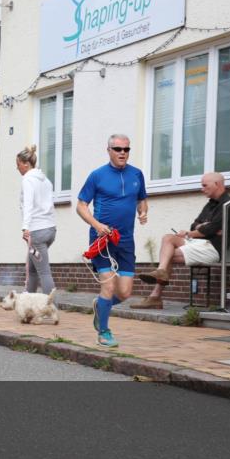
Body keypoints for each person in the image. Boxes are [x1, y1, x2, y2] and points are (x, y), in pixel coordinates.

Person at [76, 134, 148, 348]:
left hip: (125, 241)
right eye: (118, 149)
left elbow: (142, 200)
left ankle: (101, 306)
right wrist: (96, 225)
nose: (122, 153)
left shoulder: (137, 174)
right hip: (102, 240)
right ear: (109, 150)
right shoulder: (97, 176)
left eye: (126, 149)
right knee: (108, 286)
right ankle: (104, 332)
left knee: (124, 292)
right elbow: (81, 206)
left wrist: (143, 212)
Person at [131, 172, 230, 309]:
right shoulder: (210, 205)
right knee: (168, 238)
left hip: (211, 248)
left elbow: (209, 230)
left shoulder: (229, 206)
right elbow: (195, 225)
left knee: (168, 255)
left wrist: (198, 230)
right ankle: (160, 273)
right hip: (198, 243)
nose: (202, 189)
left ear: (217, 184)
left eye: (205, 185)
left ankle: (155, 296)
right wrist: (202, 228)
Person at [16, 145, 56, 294]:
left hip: (36, 233)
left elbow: (28, 204)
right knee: (32, 269)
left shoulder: (28, 180)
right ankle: (28, 303)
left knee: (44, 272)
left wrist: (25, 227)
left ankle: (51, 306)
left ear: (26, 164)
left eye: (18, 164)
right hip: (50, 230)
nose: (17, 168)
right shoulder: (46, 180)